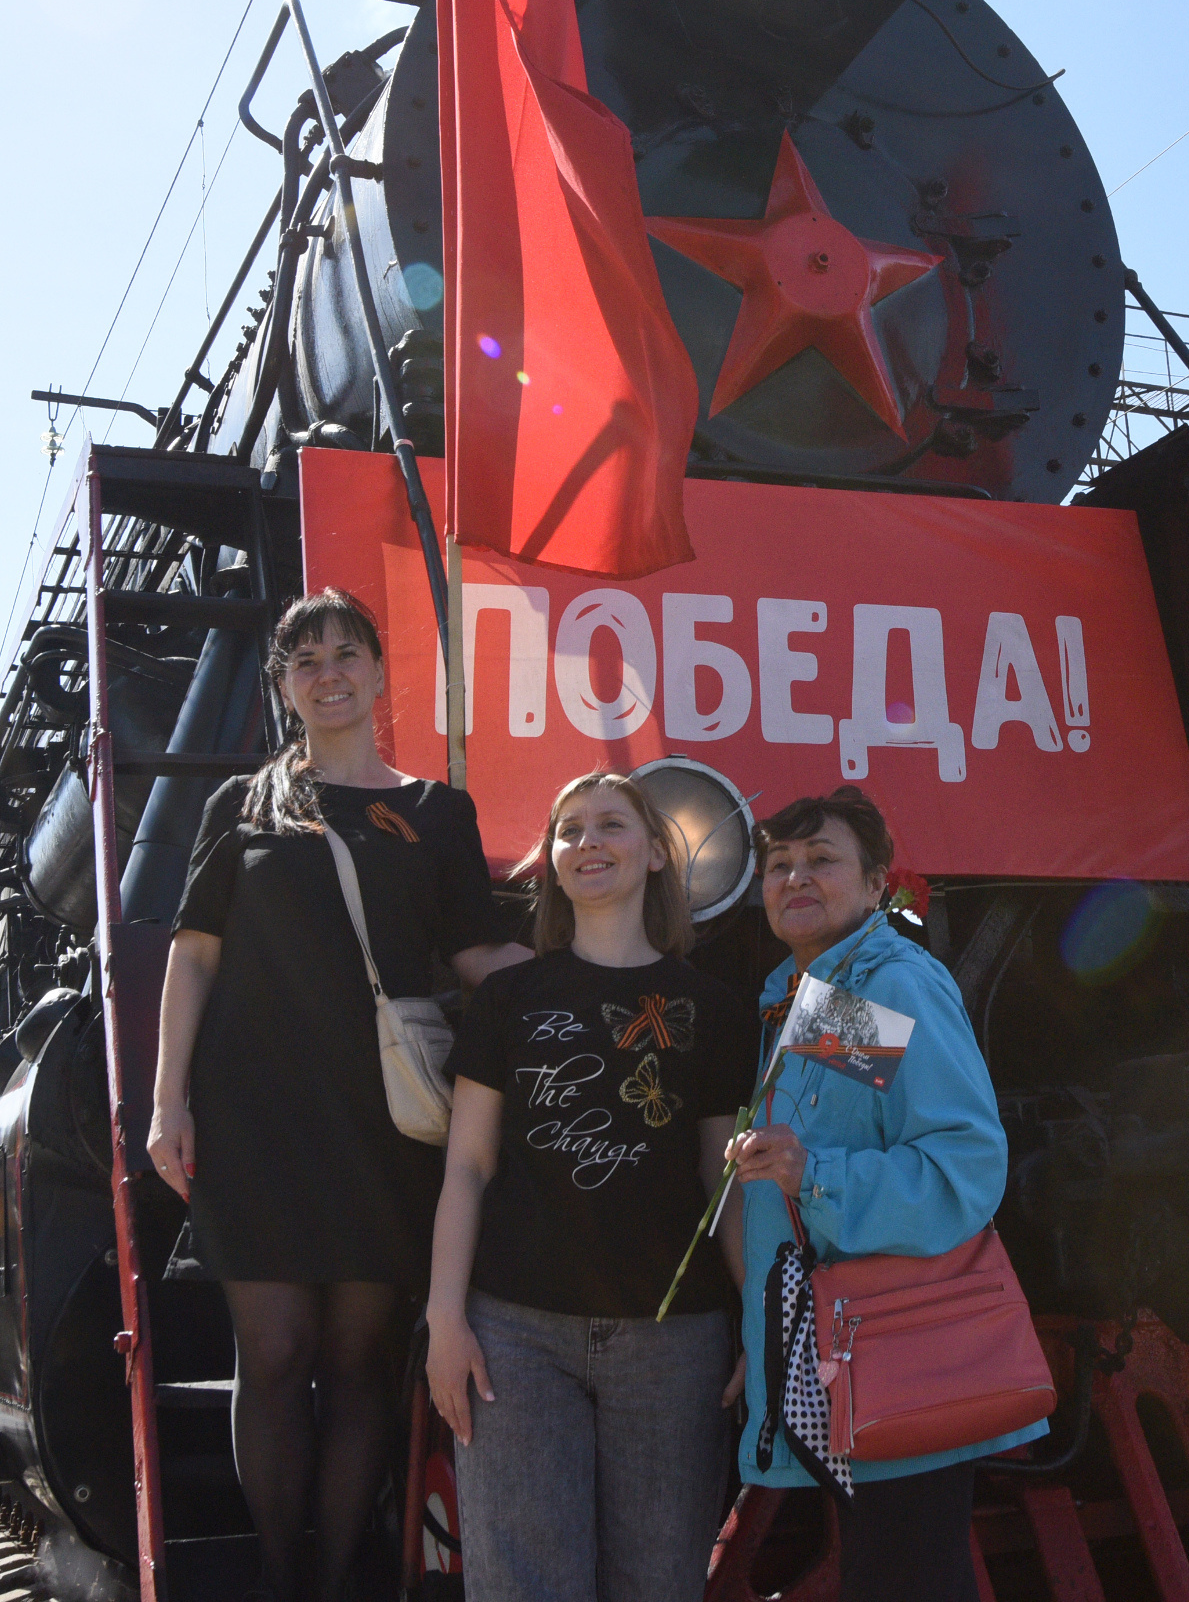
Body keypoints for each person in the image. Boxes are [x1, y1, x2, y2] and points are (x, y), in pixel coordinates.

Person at [147, 588, 525, 1602]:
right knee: (273, 1353)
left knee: (360, 1363)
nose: (328, 670)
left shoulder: (440, 811)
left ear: (377, 670)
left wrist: (593, 978)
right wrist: (165, 1101)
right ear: (283, 684)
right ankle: (280, 1577)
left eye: (345, 651)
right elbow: (192, 957)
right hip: (252, 1114)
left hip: (384, 1117)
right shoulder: (244, 804)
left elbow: (475, 950)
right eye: (305, 657)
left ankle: (335, 1571)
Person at [427, 772, 755, 1602]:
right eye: (569, 830)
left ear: (653, 853)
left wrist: (757, 1319)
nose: (589, 842)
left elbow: (726, 1181)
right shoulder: (508, 998)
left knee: (658, 1585)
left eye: (610, 825)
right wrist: (443, 1320)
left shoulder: (712, 1007)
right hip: (516, 1339)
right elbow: (467, 1165)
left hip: (674, 1345)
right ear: (552, 863)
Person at [723, 787, 1041, 1602]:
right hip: (846, 1357)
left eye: (822, 860)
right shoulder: (816, 999)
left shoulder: (887, 983)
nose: (795, 878)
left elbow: (962, 1163)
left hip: (895, 1352)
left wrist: (813, 1173)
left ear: (875, 886)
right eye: (779, 864)